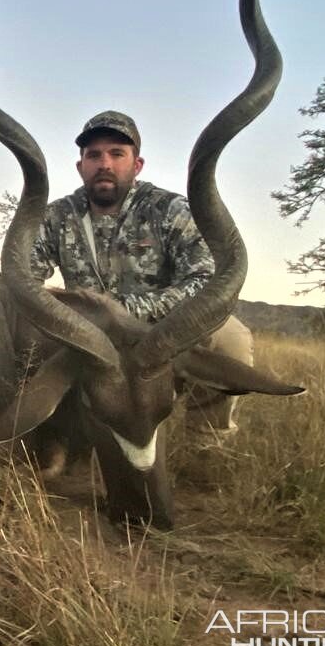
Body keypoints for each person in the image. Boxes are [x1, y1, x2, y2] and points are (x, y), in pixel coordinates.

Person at [30, 110, 254, 438]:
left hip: (162, 335)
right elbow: (24, 279)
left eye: (117, 153)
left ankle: (206, 442)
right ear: (81, 168)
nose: (104, 163)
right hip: (88, 340)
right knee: (20, 342)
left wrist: (124, 311)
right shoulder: (56, 216)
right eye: (94, 155)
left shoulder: (170, 209)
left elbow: (205, 280)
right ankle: (59, 438)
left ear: (136, 165)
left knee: (229, 339)